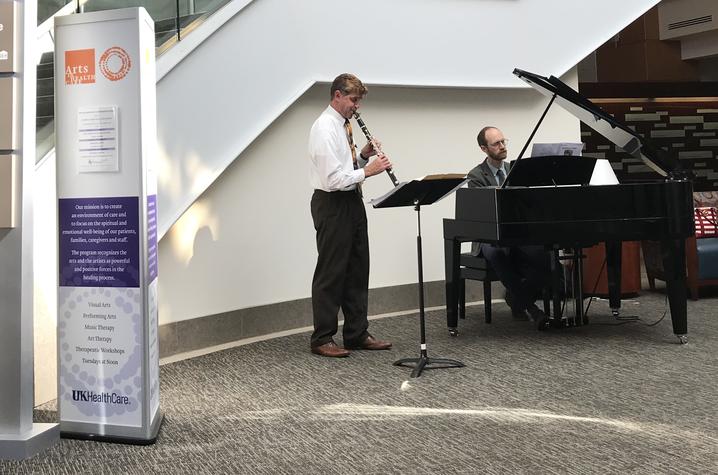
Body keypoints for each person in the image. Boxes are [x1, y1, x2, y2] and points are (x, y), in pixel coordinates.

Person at [307, 73, 393, 357]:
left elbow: (345, 167)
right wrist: (368, 171)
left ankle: (356, 333)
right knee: (331, 272)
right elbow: (331, 179)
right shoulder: (324, 128)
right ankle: (322, 338)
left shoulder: (343, 127)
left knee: (357, 268)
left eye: (359, 101)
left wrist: (364, 157)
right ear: (337, 96)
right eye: (354, 100)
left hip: (351, 200)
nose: (357, 107)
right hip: (332, 203)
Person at [467, 126, 551, 326]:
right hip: (489, 236)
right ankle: (532, 308)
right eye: (496, 144)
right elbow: (481, 212)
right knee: (498, 253)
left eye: (504, 141)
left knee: (543, 254)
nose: (502, 146)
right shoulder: (476, 176)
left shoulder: (515, 170)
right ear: (484, 149)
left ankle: (515, 298)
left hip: (516, 233)